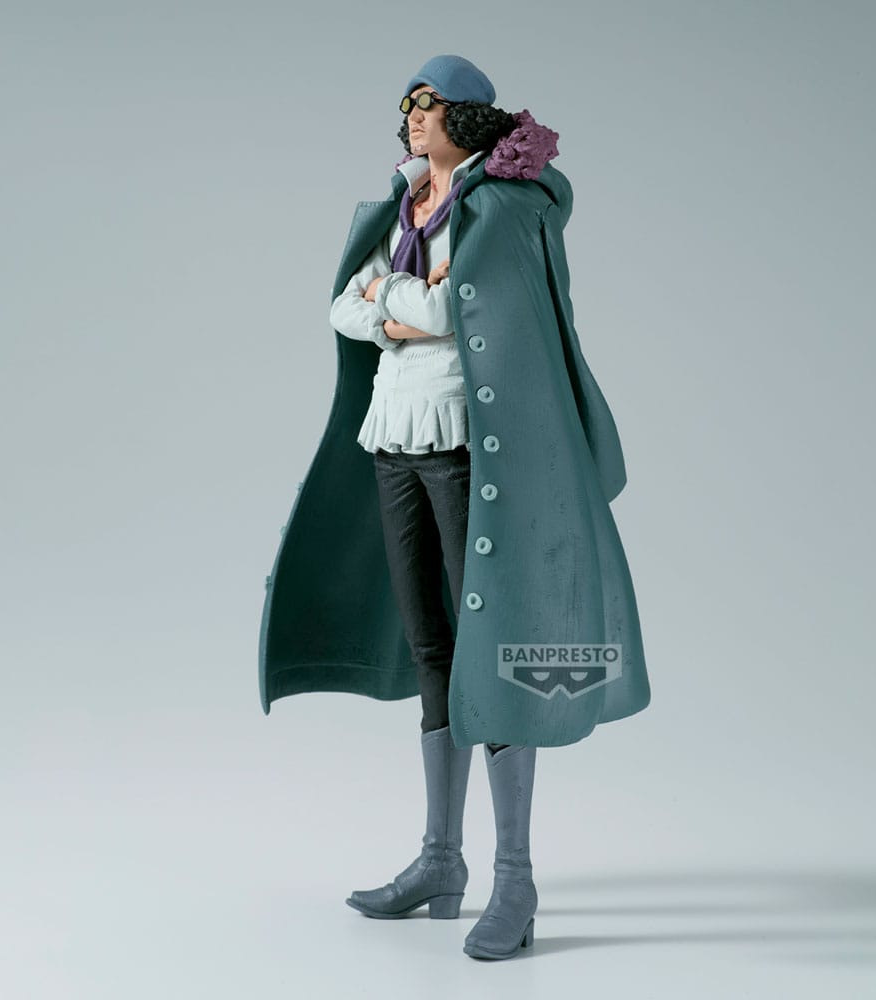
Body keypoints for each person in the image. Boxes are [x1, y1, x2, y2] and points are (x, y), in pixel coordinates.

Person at [258, 54, 651, 961]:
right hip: (394, 435)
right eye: (406, 104)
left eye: (428, 104)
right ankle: (442, 860)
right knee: (429, 640)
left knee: (500, 643)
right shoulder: (403, 205)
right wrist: (399, 306)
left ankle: (515, 877)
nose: (412, 116)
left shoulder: (503, 207)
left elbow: (459, 315)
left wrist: (390, 304)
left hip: (470, 443)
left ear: (464, 117)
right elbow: (346, 309)